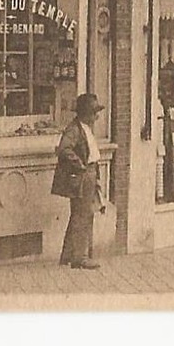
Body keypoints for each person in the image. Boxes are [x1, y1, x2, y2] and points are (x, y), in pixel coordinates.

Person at [52, 93, 105, 269]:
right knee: (83, 215)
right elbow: (63, 149)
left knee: (78, 215)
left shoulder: (84, 128)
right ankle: (80, 257)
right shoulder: (75, 129)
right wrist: (80, 164)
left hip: (89, 173)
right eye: (94, 112)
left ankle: (68, 255)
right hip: (83, 175)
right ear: (86, 114)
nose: (96, 116)